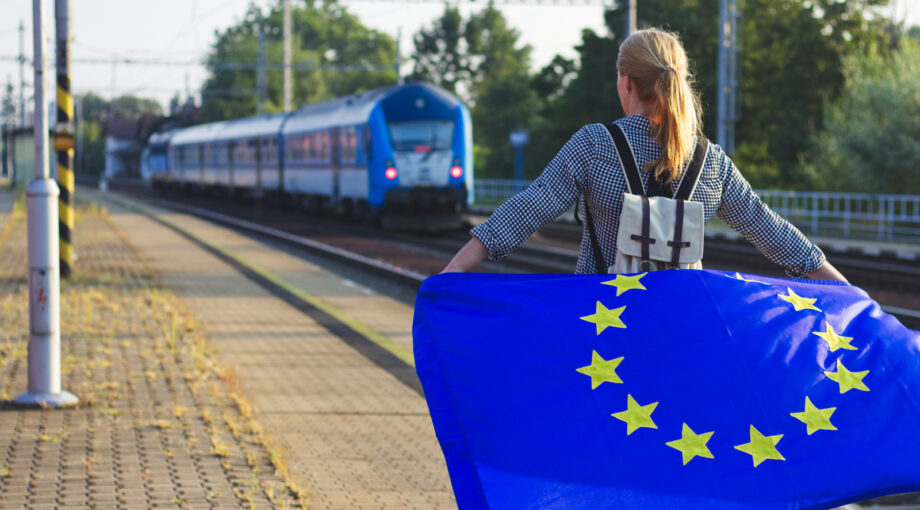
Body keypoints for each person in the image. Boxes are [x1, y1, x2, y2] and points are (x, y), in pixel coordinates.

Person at [442, 27, 846, 282]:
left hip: (604, 329)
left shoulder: (595, 145)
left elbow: (528, 209)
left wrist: (454, 269)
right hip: (678, 331)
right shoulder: (711, 162)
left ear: (626, 82)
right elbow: (768, 230)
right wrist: (844, 289)